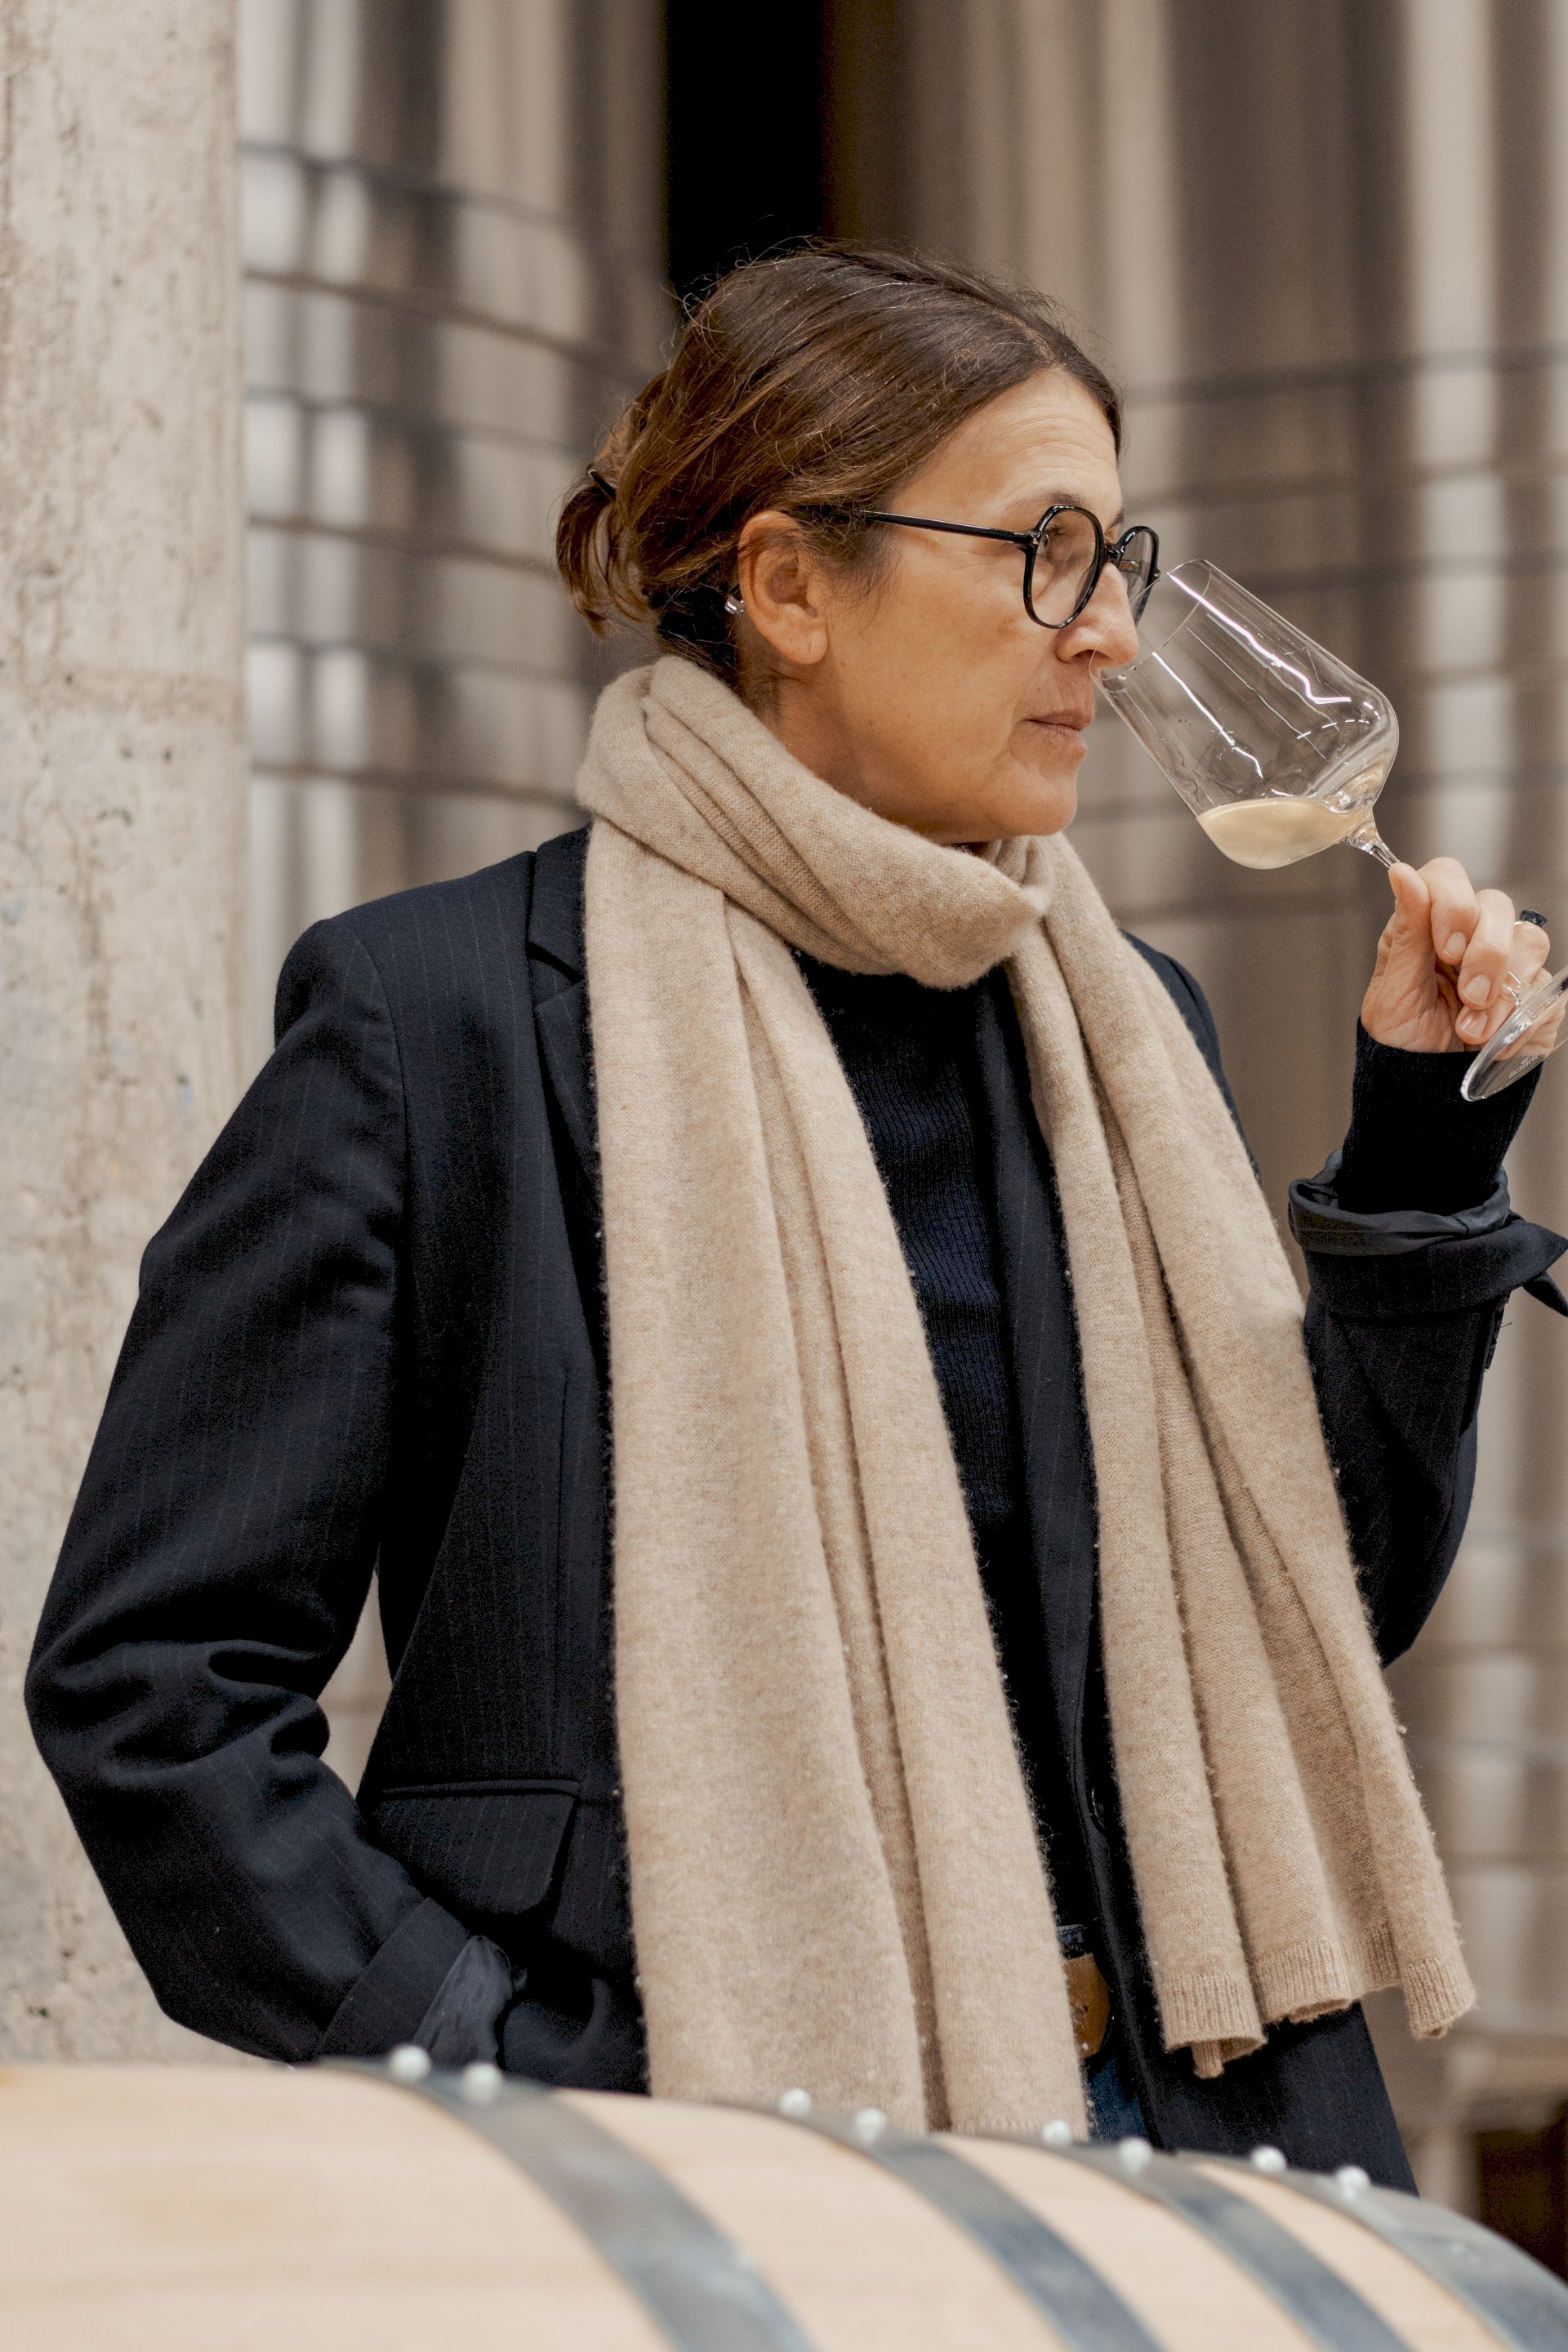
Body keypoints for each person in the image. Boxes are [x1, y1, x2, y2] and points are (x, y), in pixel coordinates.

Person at [29, 247, 1566, 2185]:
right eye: (1045, 553)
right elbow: (158, 1687)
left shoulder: (1122, 1032)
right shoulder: (441, 1023)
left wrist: (1423, 1152)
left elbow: (1315, 1609)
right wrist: (487, 2059)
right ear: (786, 589)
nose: (1108, 634)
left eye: (1119, 559)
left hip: (1194, 2125)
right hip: (692, 2156)